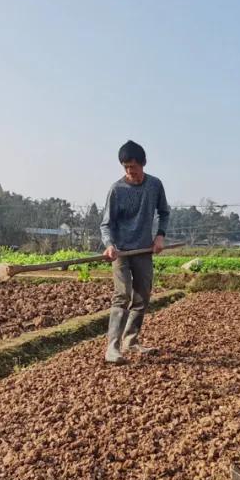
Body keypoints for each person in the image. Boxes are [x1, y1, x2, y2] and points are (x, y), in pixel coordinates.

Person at [99, 140, 170, 364]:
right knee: (122, 296)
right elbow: (106, 224)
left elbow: (164, 213)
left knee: (142, 296)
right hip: (120, 252)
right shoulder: (117, 190)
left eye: (134, 167)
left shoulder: (155, 185)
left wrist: (160, 236)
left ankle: (131, 340)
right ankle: (112, 348)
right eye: (127, 168)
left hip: (143, 249)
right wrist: (109, 244)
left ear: (143, 164)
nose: (131, 172)